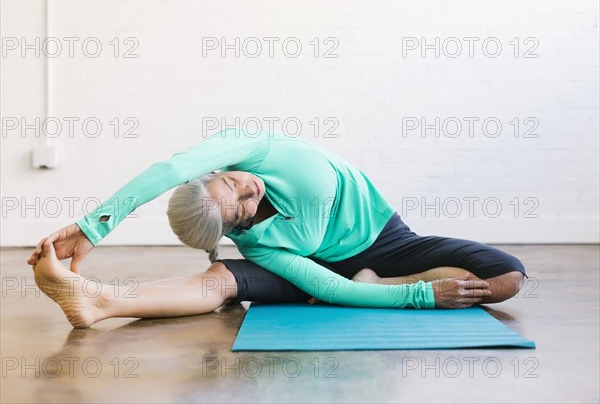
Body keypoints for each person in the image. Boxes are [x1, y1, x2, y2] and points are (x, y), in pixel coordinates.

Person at [28, 128, 526, 328]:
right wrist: (421, 298)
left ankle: (382, 278)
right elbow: (328, 284)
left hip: (382, 238)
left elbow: (169, 170)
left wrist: (95, 225)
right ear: (233, 226)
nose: (253, 192)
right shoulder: (257, 243)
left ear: (216, 171)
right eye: (242, 210)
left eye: (234, 183)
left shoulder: (260, 149)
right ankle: (99, 300)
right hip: (321, 268)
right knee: (225, 280)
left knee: (505, 278)